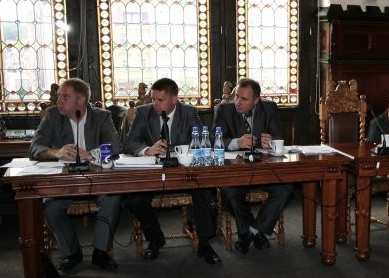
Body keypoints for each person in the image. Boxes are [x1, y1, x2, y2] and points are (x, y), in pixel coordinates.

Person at [123, 78, 221, 264]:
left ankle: (204, 243)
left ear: (174, 99)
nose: (155, 104)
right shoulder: (143, 112)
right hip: (153, 172)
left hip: (183, 171)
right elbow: (129, 143)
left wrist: (181, 151)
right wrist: (147, 150)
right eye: (153, 99)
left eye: (160, 100)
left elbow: (202, 141)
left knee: (204, 191)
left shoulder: (189, 112)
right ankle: (155, 239)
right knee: (135, 198)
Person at [29, 78, 121, 271]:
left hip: (96, 179)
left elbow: (114, 147)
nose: (58, 101)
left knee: (112, 199)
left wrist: (91, 154)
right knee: (51, 207)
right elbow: (35, 148)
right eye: (58, 96)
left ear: (81, 101)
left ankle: (101, 252)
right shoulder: (53, 115)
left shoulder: (102, 116)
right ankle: (71, 253)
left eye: (65, 96)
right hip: (65, 181)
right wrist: (56, 152)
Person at [213, 78, 294, 254]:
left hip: (263, 170)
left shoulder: (269, 108)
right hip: (235, 172)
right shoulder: (224, 110)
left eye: (244, 99)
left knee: (286, 188)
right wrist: (236, 142)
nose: (238, 102)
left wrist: (271, 142)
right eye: (237, 97)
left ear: (256, 100)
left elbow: (280, 136)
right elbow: (214, 140)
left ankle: (251, 233)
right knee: (229, 192)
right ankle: (255, 233)